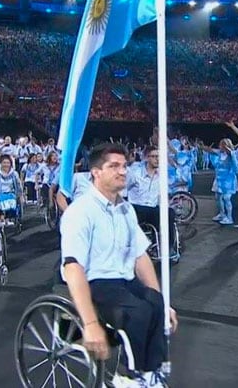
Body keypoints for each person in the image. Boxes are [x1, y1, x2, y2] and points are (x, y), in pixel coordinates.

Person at [60, 143, 178, 387]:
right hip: (95, 282)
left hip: (123, 280)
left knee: (156, 303)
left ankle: (150, 372)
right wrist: (91, 324)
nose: (122, 171)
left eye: (124, 166)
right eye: (114, 166)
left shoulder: (126, 209)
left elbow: (140, 255)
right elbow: (73, 267)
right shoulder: (80, 212)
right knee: (139, 311)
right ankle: (127, 376)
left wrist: (162, 302)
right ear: (96, 172)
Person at [126, 146, 179, 260]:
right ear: (146, 158)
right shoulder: (135, 173)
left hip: (152, 210)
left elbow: (161, 196)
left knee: (169, 212)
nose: (157, 159)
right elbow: (123, 189)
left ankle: (167, 248)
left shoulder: (161, 175)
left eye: (159, 157)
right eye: (154, 156)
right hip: (137, 209)